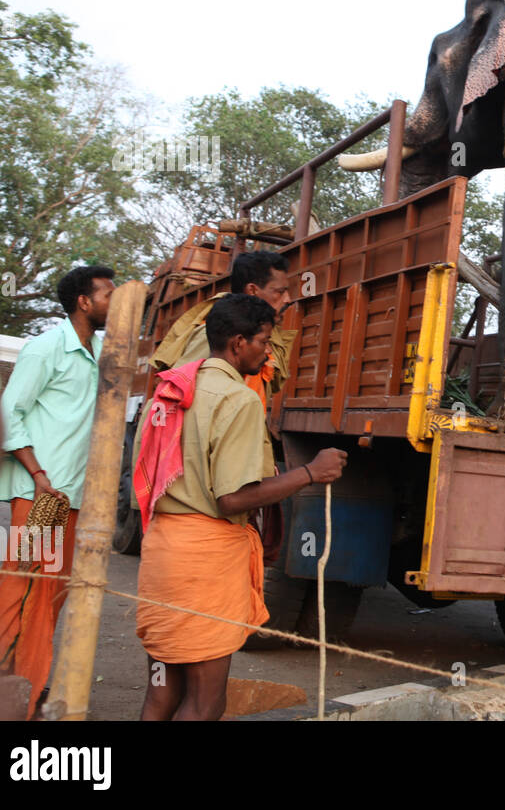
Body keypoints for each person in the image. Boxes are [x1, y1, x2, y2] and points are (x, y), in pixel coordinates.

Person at [134, 294, 347, 721]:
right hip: (204, 563)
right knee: (206, 699)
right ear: (237, 343)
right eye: (264, 342)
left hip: (162, 555)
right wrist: (310, 472)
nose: (268, 351)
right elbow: (232, 498)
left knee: (161, 692)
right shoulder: (239, 399)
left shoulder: (171, 390)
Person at [0, 265, 115, 718]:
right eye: (108, 295)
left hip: (73, 495)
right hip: (44, 493)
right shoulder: (45, 347)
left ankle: (26, 683)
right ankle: (15, 684)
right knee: (27, 586)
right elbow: (9, 413)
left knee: (51, 591)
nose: (113, 303)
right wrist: (38, 475)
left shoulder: (99, 351)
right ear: (84, 301)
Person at [151, 251, 296, 410]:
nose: (288, 299)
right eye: (280, 292)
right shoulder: (216, 334)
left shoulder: (261, 336)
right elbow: (179, 399)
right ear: (253, 290)